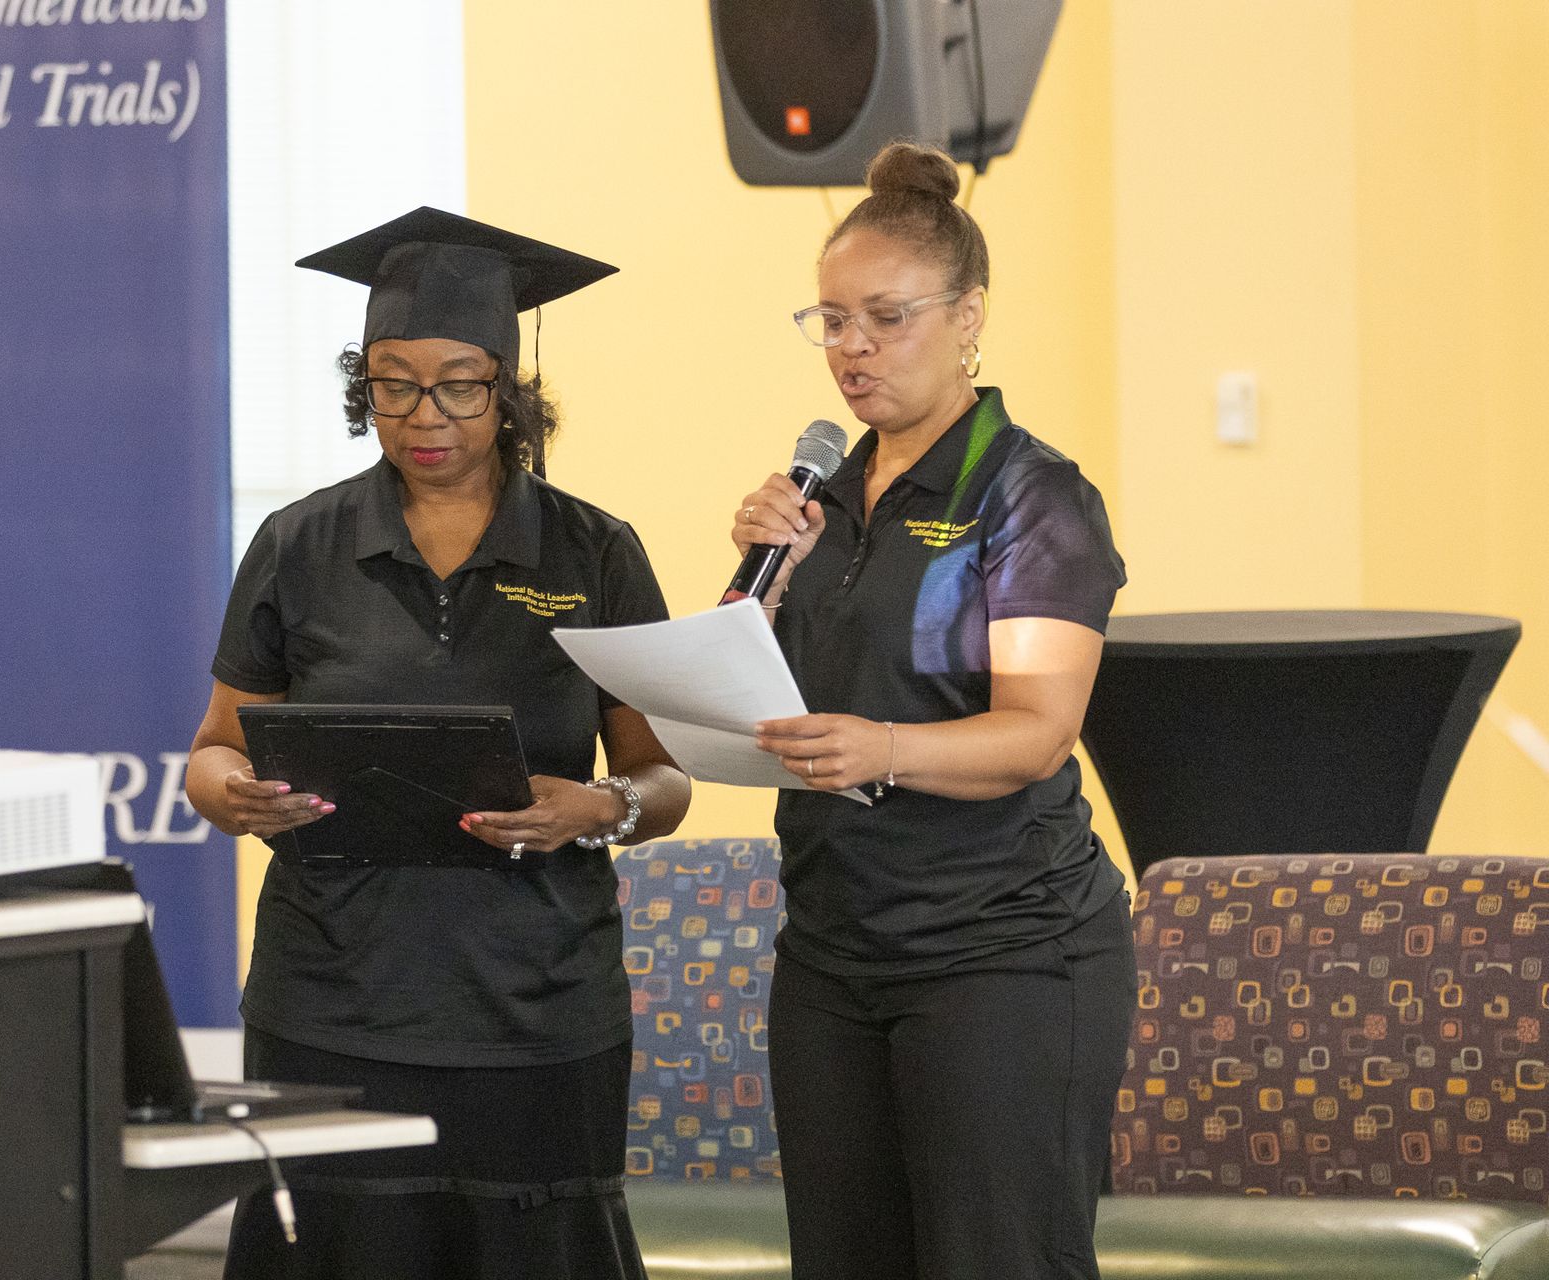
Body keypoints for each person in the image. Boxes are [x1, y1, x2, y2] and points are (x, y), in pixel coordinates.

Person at [187, 207, 691, 1280]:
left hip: (537, 1012)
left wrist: (598, 808)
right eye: (392, 384)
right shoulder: (297, 545)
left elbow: (663, 780)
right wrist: (233, 792)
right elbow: (213, 752)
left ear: (509, 389)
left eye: (460, 385)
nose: (425, 415)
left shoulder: (595, 551)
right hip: (332, 1006)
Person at [729, 143, 1135, 1280]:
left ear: (968, 318)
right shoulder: (816, 500)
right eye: (831, 321)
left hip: (1002, 952)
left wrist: (886, 748)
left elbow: (1037, 731)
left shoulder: (1030, 495)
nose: (852, 348)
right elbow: (752, 699)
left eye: (885, 317)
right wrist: (765, 587)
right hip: (832, 951)